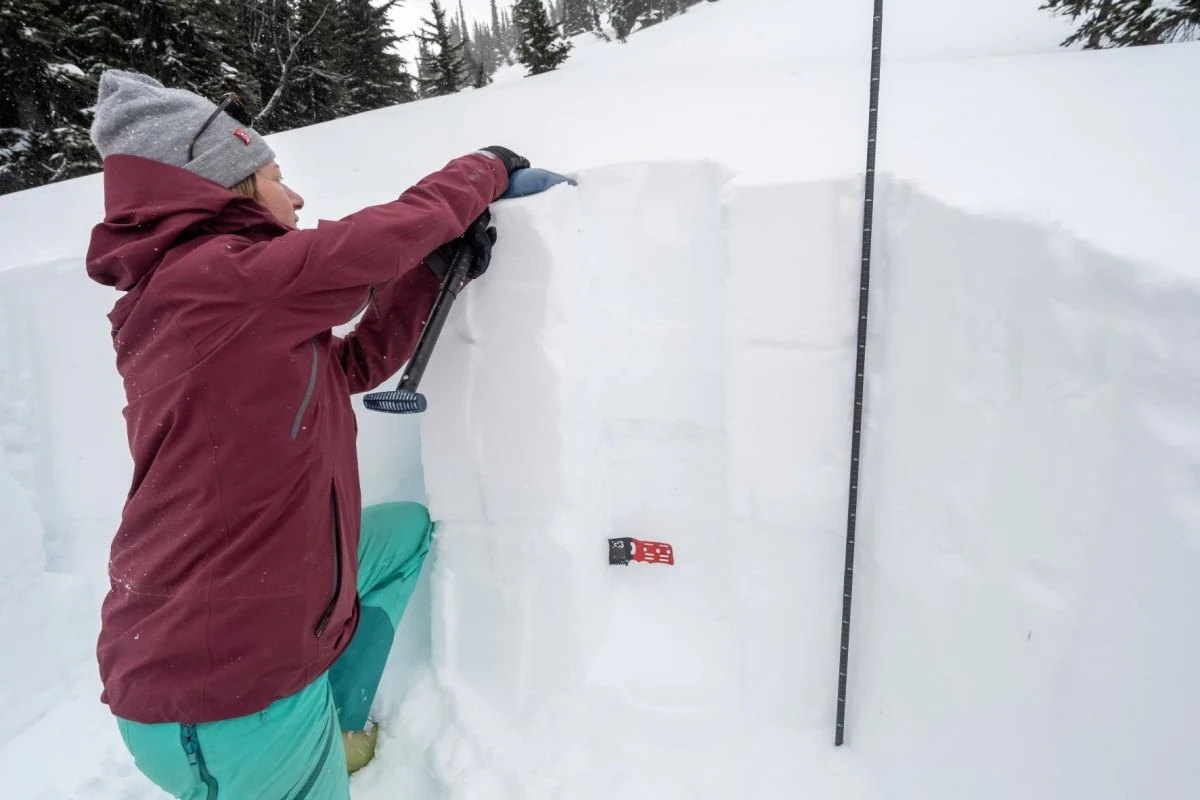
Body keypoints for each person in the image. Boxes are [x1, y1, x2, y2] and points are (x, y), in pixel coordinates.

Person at [84, 69, 571, 799]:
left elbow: (347, 367)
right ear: (227, 188)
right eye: (276, 177)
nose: (297, 196)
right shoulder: (215, 282)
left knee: (401, 538)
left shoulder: (211, 297)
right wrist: (484, 168)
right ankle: (301, 741)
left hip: (230, 623)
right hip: (227, 702)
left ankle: (337, 726)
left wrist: (430, 273)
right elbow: (373, 243)